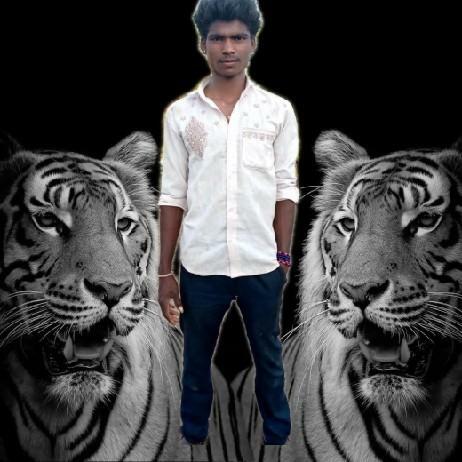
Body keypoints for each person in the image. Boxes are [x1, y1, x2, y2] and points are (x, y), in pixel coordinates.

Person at [158, 0, 299, 446]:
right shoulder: (182, 115)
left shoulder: (277, 111)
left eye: (238, 37)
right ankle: (193, 436)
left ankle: (277, 436)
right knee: (196, 360)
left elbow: (285, 188)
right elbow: (172, 194)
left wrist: (283, 256)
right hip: (201, 264)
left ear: (253, 43)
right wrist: (165, 272)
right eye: (218, 38)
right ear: (203, 45)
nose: (228, 47)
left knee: (269, 358)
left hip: (261, 263)